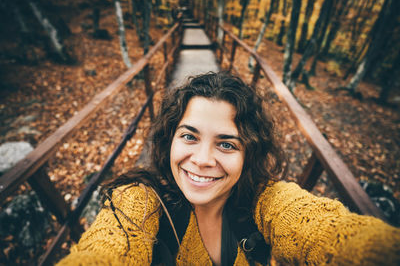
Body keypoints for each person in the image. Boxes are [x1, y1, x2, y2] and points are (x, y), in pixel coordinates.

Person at [57, 72, 400, 266]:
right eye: (190, 136)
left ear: (248, 153)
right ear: (170, 139)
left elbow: (324, 230)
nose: (203, 159)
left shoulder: (269, 203)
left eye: (226, 144)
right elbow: (102, 253)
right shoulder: (138, 202)